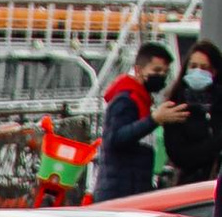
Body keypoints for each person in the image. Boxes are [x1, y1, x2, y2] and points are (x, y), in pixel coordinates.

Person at [94, 42, 172, 200]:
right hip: (119, 194)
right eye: (156, 70)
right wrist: (154, 119)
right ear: (138, 70)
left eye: (165, 72)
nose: (161, 76)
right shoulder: (126, 100)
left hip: (132, 189)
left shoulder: (143, 101)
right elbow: (115, 139)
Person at [161, 34, 221, 185]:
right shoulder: (176, 106)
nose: (198, 72)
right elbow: (179, 155)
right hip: (190, 185)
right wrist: (215, 145)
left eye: (204, 68)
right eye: (193, 66)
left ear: (214, 71)